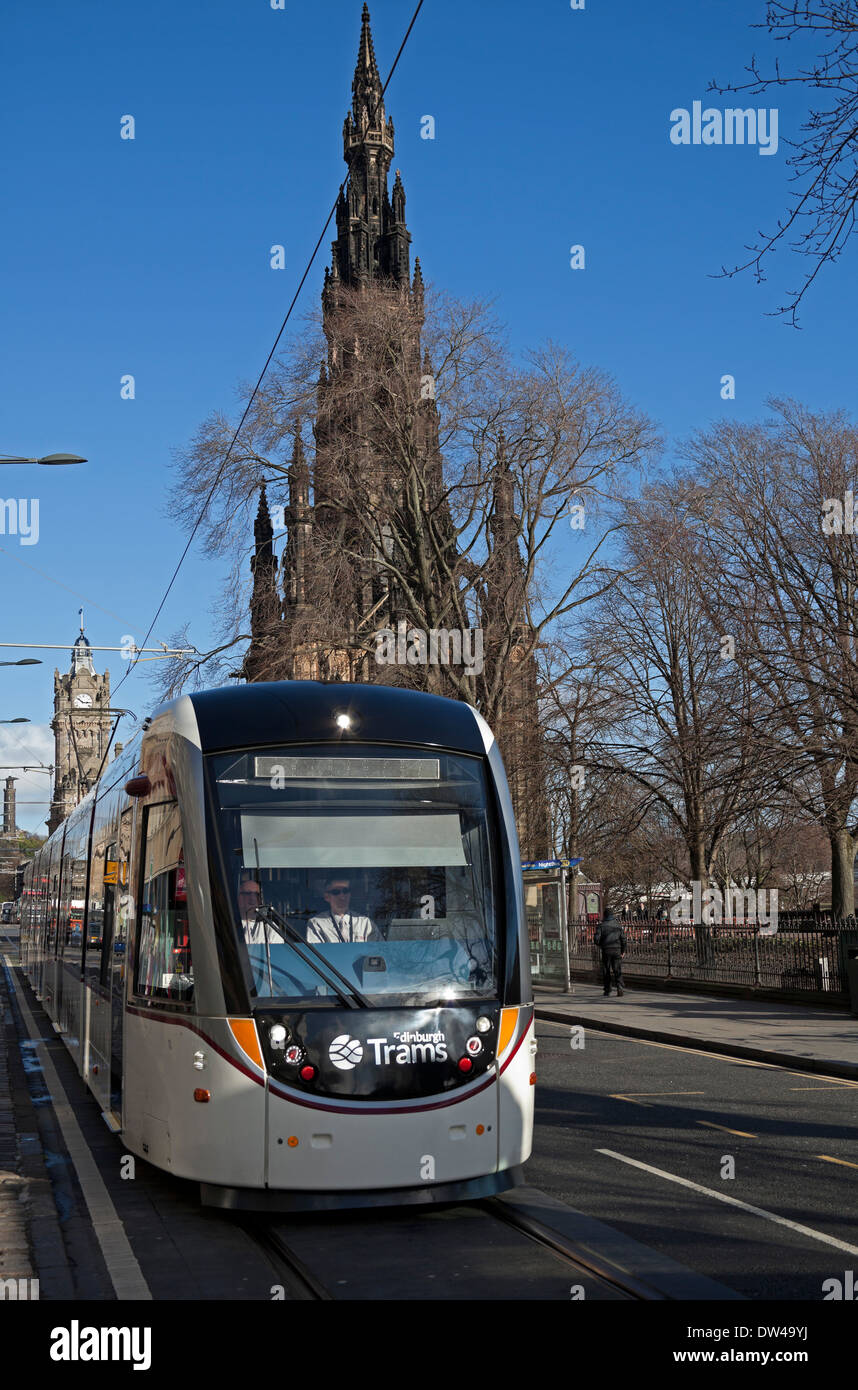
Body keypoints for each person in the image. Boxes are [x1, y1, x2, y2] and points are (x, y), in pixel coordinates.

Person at [306, 875, 379, 943]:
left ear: (350, 894)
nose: (342, 896)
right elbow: (315, 953)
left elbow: (378, 951)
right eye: (336, 892)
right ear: (326, 897)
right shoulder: (317, 923)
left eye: (345, 891)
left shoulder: (365, 923)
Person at [238, 873, 285, 944]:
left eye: (257, 894)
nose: (253, 899)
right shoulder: (229, 924)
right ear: (238, 897)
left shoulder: (269, 927)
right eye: (248, 893)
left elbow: (277, 952)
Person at [595, 907, 626, 997]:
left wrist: (602, 945)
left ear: (605, 915)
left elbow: (596, 940)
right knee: (617, 970)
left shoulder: (601, 926)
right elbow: (623, 940)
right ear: (612, 915)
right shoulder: (618, 926)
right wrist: (623, 950)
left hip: (606, 950)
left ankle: (608, 989)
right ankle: (619, 987)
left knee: (606, 970)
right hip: (617, 950)